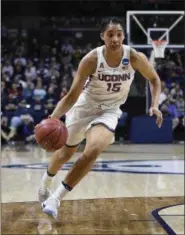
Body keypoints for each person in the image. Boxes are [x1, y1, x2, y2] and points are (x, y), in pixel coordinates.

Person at [38, 17, 163, 219]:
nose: (115, 38)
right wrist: (52, 118)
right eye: (110, 34)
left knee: (94, 148)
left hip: (110, 110)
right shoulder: (91, 59)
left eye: (119, 34)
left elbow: (154, 79)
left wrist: (155, 105)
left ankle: (55, 199)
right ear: (102, 36)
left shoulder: (134, 57)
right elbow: (72, 95)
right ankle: (45, 183)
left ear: (123, 35)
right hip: (84, 108)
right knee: (65, 154)